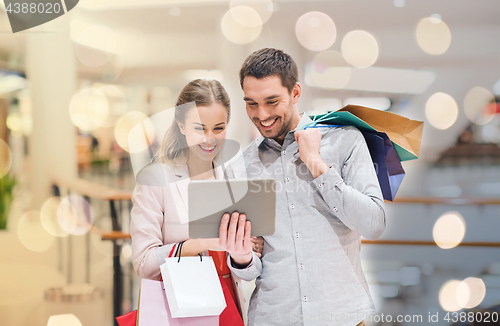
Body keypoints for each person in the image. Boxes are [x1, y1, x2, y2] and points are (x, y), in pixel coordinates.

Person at [218, 48, 386, 326]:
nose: (262, 114)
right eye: (251, 104)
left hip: (342, 315)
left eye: (272, 101)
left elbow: (373, 224)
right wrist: (241, 256)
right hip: (274, 317)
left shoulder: (345, 141)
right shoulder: (240, 167)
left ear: (295, 93)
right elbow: (249, 271)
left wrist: (317, 164)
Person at [130, 79, 263, 325]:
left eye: (219, 128)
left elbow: (249, 268)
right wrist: (199, 243)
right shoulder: (156, 180)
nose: (210, 139)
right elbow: (144, 263)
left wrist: (242, 253)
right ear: (181, 124)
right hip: (181, 310)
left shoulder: (234, 177)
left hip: (229, 307)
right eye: (200, 128)